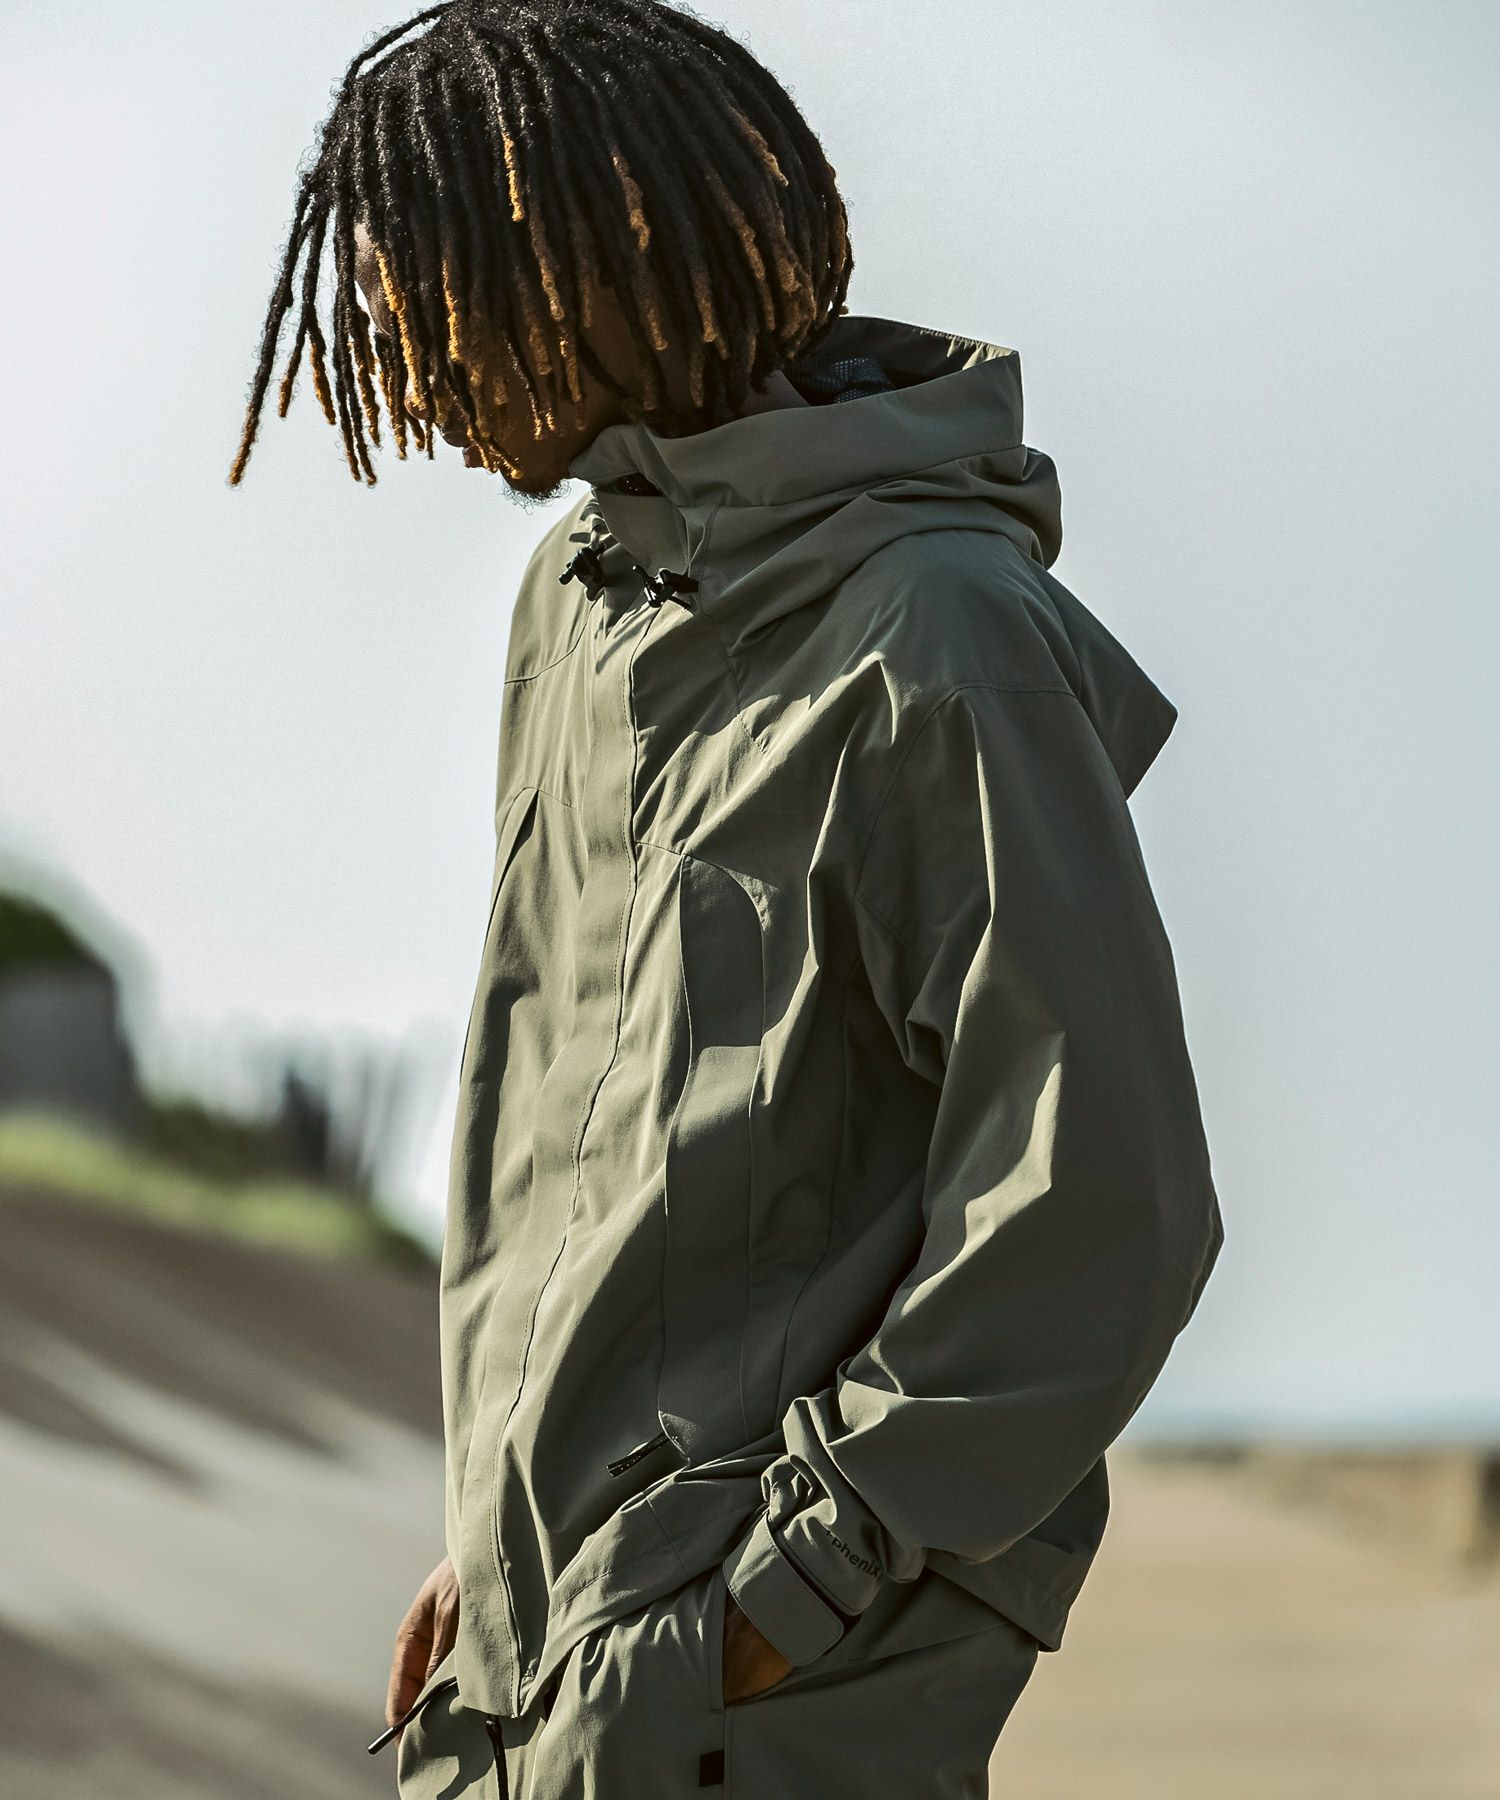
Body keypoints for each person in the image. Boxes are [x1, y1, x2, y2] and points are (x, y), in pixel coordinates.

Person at [229, 2, 1225, 1793]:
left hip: (755, 1695)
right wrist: (508, 1552)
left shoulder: (940, 637)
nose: (404, 365)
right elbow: (602, 1157)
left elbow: (1099, 1199)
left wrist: (791, 1590)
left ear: (601, 257)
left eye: (430, 296)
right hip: (538, 1668)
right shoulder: (577, 607)